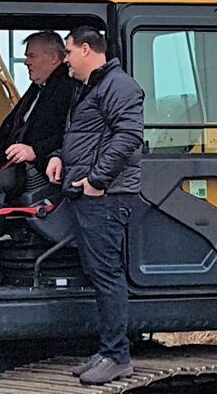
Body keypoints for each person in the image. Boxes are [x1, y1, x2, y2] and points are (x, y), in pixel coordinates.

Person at [46, 26, 144, 385]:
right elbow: (87, 136)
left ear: (86, 49)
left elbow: (129, 136)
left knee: (107, 274)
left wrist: (96, 181)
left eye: (69, 52)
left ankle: (117, 356)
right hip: (90, 194)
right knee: (99, 272)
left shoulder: (119, 86)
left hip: (106, 196)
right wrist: (59, 155)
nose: (66, 60)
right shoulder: (91, 87)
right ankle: (107, 352)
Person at [0, 31, 73, 288]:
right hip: (18, 164)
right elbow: (18, 132)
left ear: (53, 58)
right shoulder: (37, 89)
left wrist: (34, 151)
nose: (26, 62)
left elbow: (69, 136)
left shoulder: (67, 90)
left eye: (31, 56)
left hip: (41, 170)